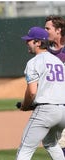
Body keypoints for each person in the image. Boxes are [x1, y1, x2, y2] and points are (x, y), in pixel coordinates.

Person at [16, 26, 65, 160]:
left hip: (46, 111)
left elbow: (32, 92)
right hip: (62, 112)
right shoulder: (59, 62)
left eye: (30, 40)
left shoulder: (34, 62)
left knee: (25, 148)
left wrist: (25, 105)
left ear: (38, 42)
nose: (27, 43)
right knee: (51, 143)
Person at [45, 15, 65, 155]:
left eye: (48, 28)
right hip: (56, 106)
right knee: (55, 145)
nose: (45, 31)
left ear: (58, 30)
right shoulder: (46, 52)